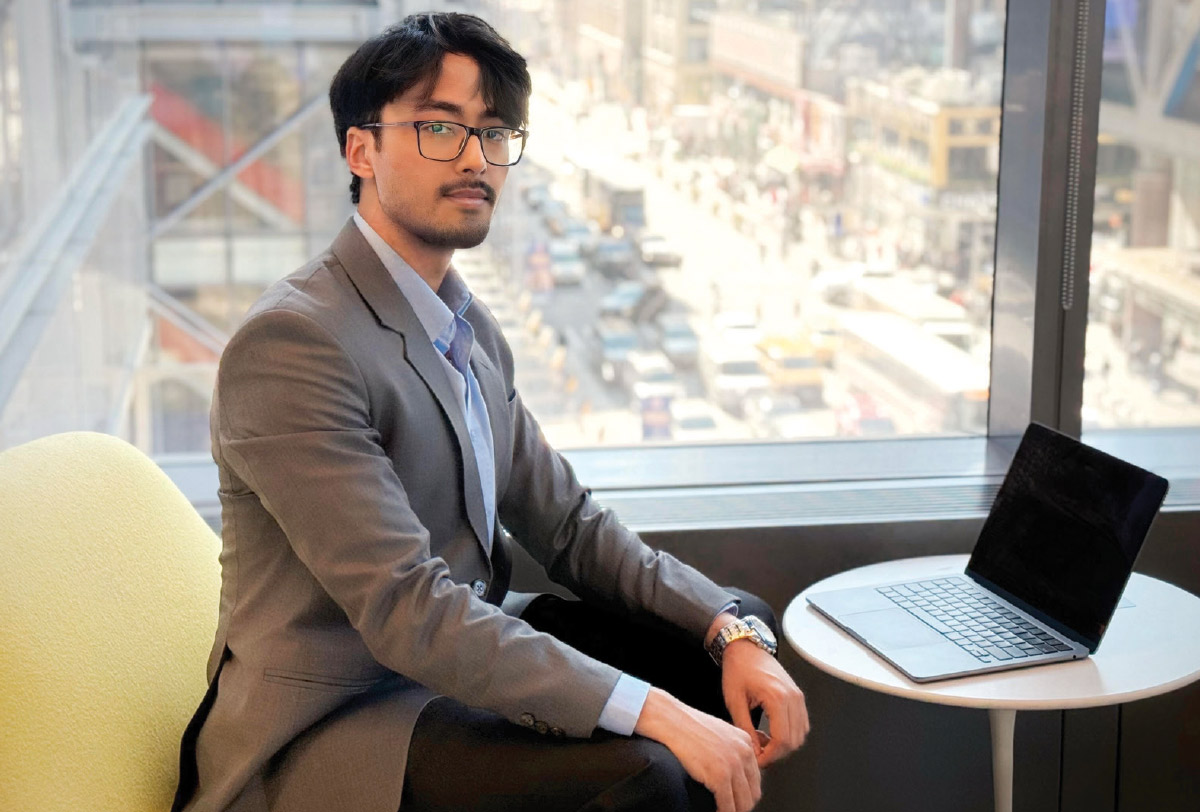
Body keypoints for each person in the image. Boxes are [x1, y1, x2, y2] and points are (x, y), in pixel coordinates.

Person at [171, 13, 808, 812]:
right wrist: (656, 713)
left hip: (452, 663)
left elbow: (568, 526)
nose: (476, 157)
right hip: (339, 721)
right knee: (645, 770)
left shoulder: (465, 325)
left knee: (724, 647)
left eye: (495, 132)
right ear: (361, 150)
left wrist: (727, 627)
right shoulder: (293, 344)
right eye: (440, 127)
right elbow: (407, 607)